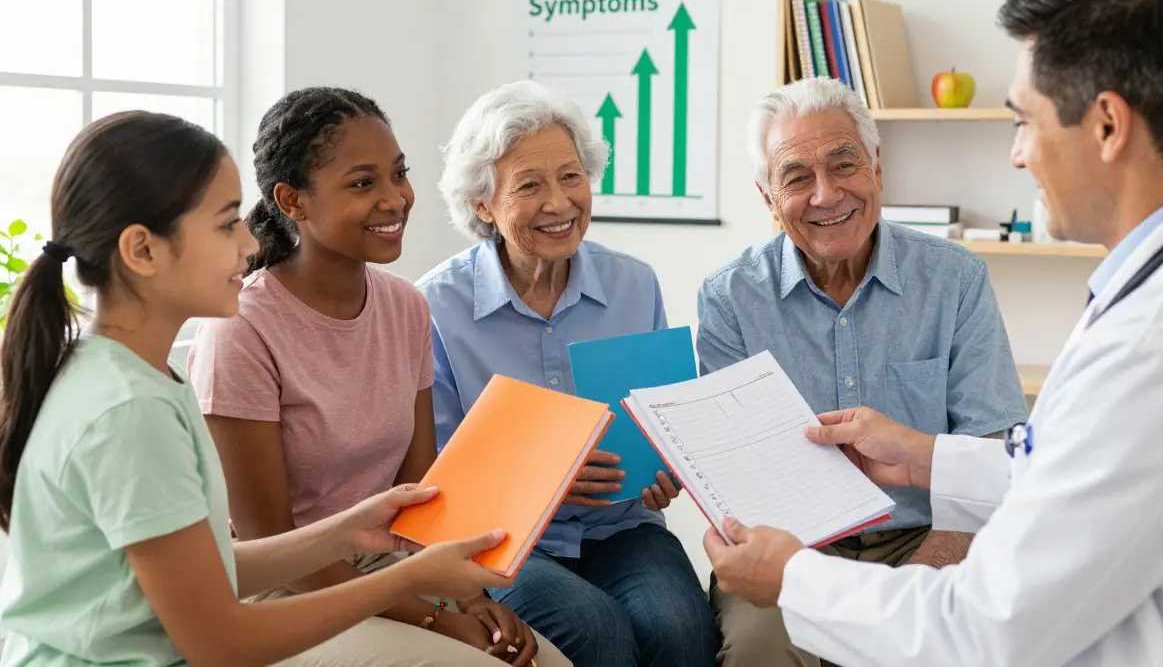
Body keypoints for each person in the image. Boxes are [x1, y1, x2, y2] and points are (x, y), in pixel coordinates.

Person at [704, 0, 1163, 666]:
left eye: (1025, 120)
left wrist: (792, 579)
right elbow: (1079, 477)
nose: (1016, 154)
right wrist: (924, 457)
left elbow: (987, 627)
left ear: (1106, 125)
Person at [0, 111, 513, 666]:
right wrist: (407, 582)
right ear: (142, 251)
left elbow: (209, 566)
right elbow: (221, 644)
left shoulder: (129, 375)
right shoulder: (128, 411)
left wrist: (345, 532)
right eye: (226, 225)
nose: (249, 245)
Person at [186, 87, 566, 667]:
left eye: (399, 174)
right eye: (363, 184)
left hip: (394, 566)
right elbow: (270, 543)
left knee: (548, 663)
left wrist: (470, 597)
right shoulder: (242, 330)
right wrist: (438, 618)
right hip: (286, 590)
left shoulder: (405, 306)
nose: (395, 199)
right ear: (293, 201)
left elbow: (422, 492)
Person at [697, 75, 1027, 665]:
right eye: (796, 177)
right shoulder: (729, 298)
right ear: (767, 196)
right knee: (758, 651)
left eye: (844, 164)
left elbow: (990, 447)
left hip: (925, 537)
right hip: (790, 545)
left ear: (877, 166)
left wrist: (910, 588)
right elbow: (732, 475)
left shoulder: (956, 279)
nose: (826, 194)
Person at [419, 80, 720, 667]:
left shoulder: (636, 284)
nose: (559, 203)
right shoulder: (435, 306)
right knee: (595, 629)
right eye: (529, 185)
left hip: (619, 527)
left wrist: (667, 471)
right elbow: (434, 474)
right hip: (502, 541)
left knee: (683, 629)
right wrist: (542, 480)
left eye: (571, 177)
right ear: (483, 203)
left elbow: (660, 426)